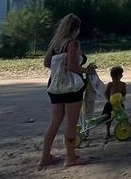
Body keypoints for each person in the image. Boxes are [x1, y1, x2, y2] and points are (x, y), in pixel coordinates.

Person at [37, 15, 91, 169]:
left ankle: (45, 156)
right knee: (71, 123)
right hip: (71, 87)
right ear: (76, 28)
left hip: (54, 86)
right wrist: (88, 70)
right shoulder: (72, 43)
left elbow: (47, 63)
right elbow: (72, 67)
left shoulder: (56, 43)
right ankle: (70, 157)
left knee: (54, 122)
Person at [102, 65, 127, 135]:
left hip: (119, 103)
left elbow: (124, 93)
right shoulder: (110, 84)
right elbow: (106, 93)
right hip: (110, 103)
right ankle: (107, 130)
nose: (116, 79)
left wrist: (121, 98)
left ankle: (124, 127)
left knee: (123, 116)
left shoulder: (122, 84)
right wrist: (109, 100)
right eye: (114, 77)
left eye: (118, 76)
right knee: (107, 116)